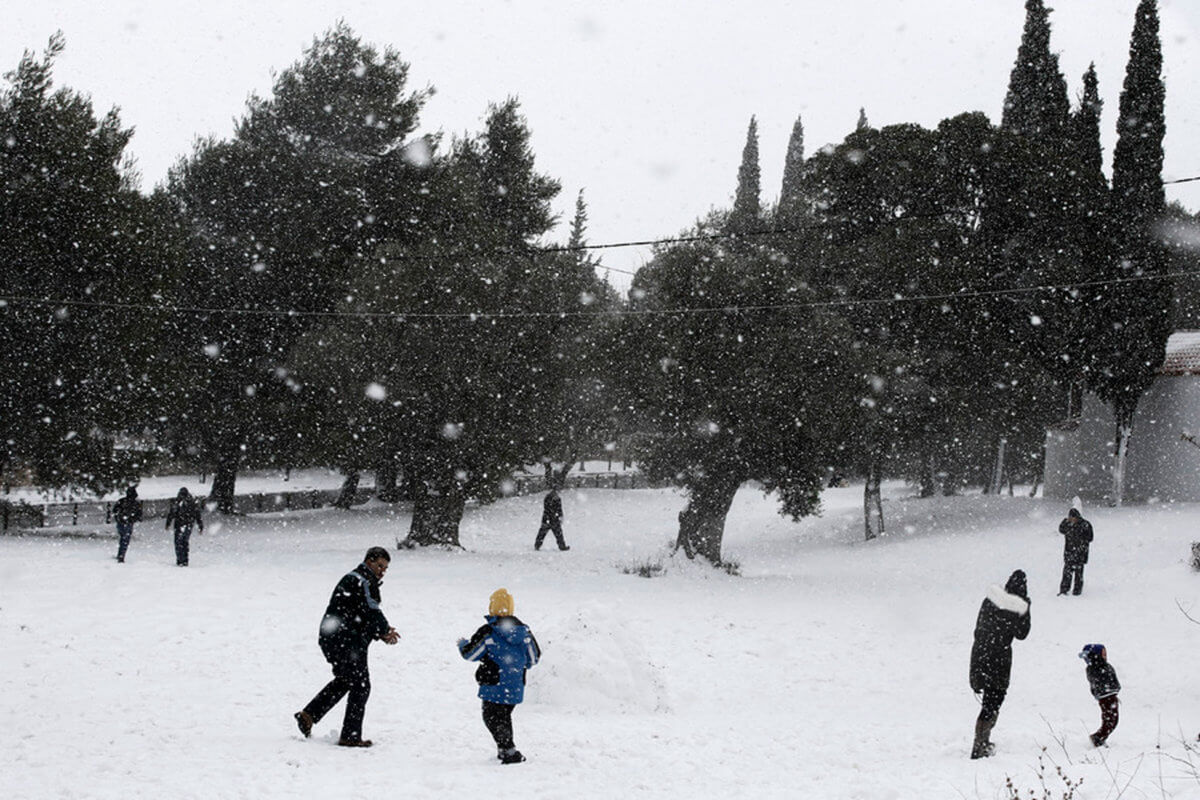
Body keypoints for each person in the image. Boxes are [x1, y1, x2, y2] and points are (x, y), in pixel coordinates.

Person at [295, 547, 399, 748]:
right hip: (344, 640)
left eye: (385, 568)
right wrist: (384, 629)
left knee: (346, 680)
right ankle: (350, 736)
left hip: (335, 638)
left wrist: (381, 633)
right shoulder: (362, 580)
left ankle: (308, 715)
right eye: (379, 566)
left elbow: (362, 615)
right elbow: (370, 610)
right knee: (361, 685)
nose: (382, 571)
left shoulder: (359, 580)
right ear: (369, 561)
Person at [457, 588, 541, 764]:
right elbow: (533, 658)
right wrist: (517, 666)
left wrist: (463, 644)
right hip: (515, 685)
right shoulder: (524, 632)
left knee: (491, 716)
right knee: (503, 716)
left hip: (493, 682)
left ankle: (509, 751)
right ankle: (505, 750)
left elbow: (471, 654)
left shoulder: (488, 632)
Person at [969, 569, 1032, 759]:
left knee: (989, 701)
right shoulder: (1019, 607)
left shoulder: (990, 600)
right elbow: (1022, 634)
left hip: (981, 652)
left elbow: (979, 627)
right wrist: (1026, 610)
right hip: (1000, 658)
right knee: (994, 701)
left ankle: (981, 741)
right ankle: (981, 744)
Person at [1079, 643, 1121, 747]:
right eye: (1103, 654)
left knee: (1111, 720)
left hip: (1110, 696)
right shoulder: (1096, 668)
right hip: (1107, 697)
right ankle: (1098, 738)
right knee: (1110, 721)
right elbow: (1101, 682)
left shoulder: (1102, 666)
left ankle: (1100, 737)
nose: (1105, 656)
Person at [1058, 507, 1094, 596]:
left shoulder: (1085, 524)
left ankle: (1077, 591)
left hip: (1080, 553)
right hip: (1069, 553)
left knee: (1078, 574)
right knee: (1067, 573)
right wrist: (1065, 521)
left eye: (1072, 518)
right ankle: (1064, 590)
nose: (1071, 520)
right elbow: (1061, 529)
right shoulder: (1068, 524)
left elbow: (1090, 538)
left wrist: (1081, 542)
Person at [164, 487, 204, 566]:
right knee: (184, 542)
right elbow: (197, 514)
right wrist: (200, 525)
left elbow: (172, 513)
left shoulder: (178, 502)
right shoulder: (192, 502)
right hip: (189, 524)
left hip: (179, 524)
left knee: (178, 542)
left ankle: (180, 560)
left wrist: (168, 524)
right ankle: (185, 560)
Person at [112, 486, 143, 563]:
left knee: (122, 538)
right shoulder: (136, 504)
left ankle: (120, 554)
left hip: (121, 522)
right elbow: (139, 515)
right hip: (128, 523)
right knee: (125, 539)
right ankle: (121, 556)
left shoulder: (122, 501)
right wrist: (132, 520)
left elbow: (115, 510)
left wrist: (118, 518)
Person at [534, 484, 569, 551]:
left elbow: (556, 509)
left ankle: (537, 545)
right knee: (557, 533)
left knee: (543, 533)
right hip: (552, 519)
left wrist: (559, 516)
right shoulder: (553, 498)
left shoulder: (552, 497)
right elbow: (556, 509)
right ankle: (562, 546)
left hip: (549, 518)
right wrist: (558, 516)